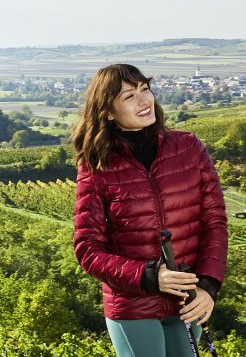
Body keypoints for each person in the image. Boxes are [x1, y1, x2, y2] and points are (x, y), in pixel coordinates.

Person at [72, 64, 230, 357]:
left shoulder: (189, 147)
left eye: (145, 89)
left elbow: (215, 223)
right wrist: (149, 276)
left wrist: (208, 286)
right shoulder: (97, 167)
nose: (144, 101)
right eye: (129, 96)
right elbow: (88, 250)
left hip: (188, 300)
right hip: (133, 306)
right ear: (107, 110)